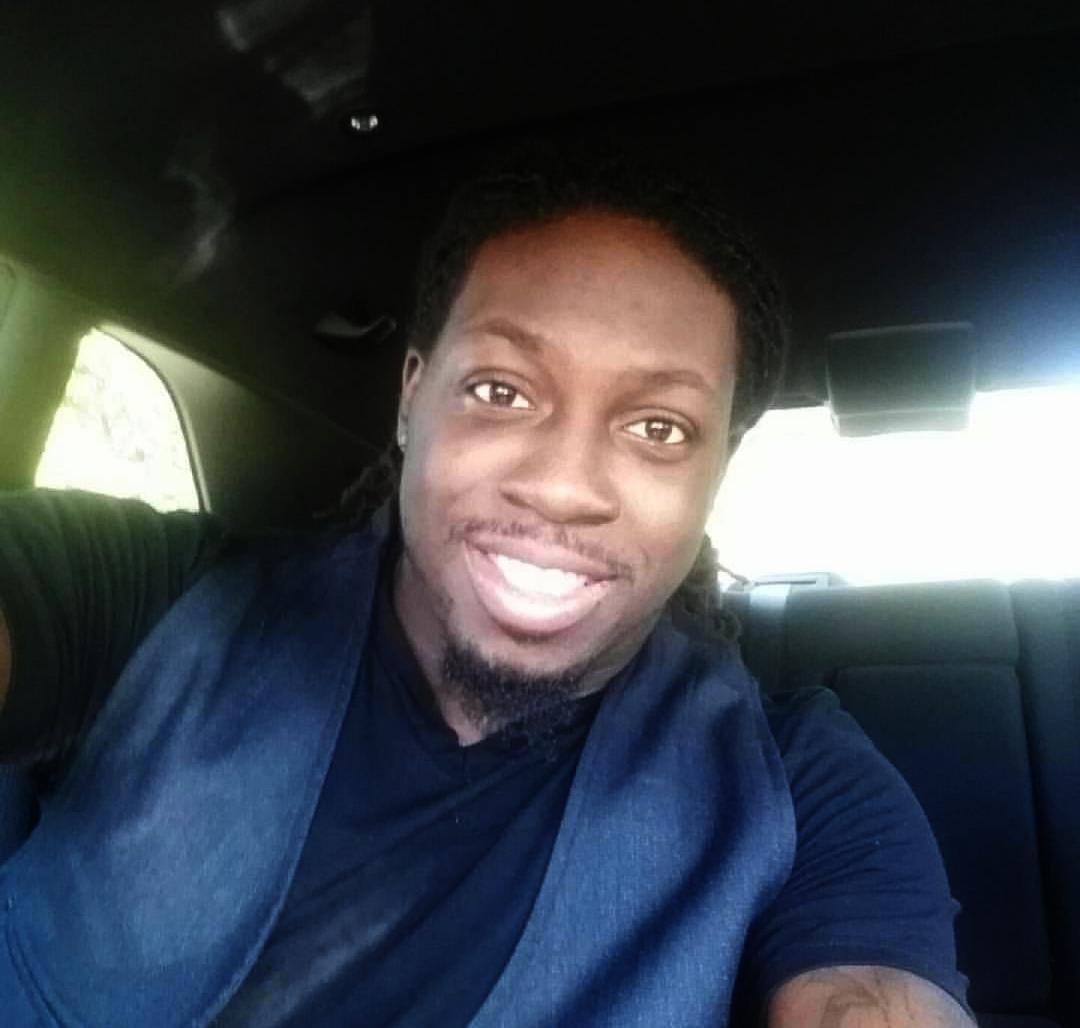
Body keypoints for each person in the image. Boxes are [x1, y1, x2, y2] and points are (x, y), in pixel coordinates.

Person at [0, 149, 976, 1027]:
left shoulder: (800, 789)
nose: (561, 485)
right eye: (501, 391)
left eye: (660, 429)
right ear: (411, 397)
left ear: (716, 471)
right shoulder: (145, 595)